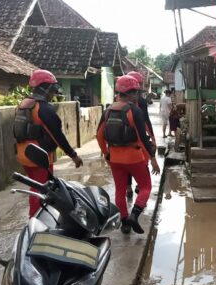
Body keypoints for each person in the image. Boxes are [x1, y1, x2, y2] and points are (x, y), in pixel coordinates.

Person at [14, 69, 83, 218]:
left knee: (34, 186)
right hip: (39, 156)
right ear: (45, 88)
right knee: (40, 189)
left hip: (23, 153)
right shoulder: (44, 108)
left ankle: (38, 217)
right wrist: (73, 155)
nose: (53, 93)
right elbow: (57, 136)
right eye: (52, 89)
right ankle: (36, 221)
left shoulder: (24, 104)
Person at [97, 75, 160, 234]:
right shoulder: (134, 110)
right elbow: (142, 137)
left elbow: (99, 135)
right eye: (136, 92)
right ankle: (134, 215)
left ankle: (124, 223)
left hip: (115, 158)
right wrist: (152, 158)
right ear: (131, 93)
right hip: (134, 157)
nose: (137, 95)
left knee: (120, 190)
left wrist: (106, 153)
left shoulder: (108, 110)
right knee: (146, 187)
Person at [126, 71, 156, 199]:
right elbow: (146, 122)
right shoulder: (141, 102)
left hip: (123, 140)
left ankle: (128, 188)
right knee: (143, 161)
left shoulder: (117, 102)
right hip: (138, 138)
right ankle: (140, 185)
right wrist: (153, 138)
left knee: (126, 165)